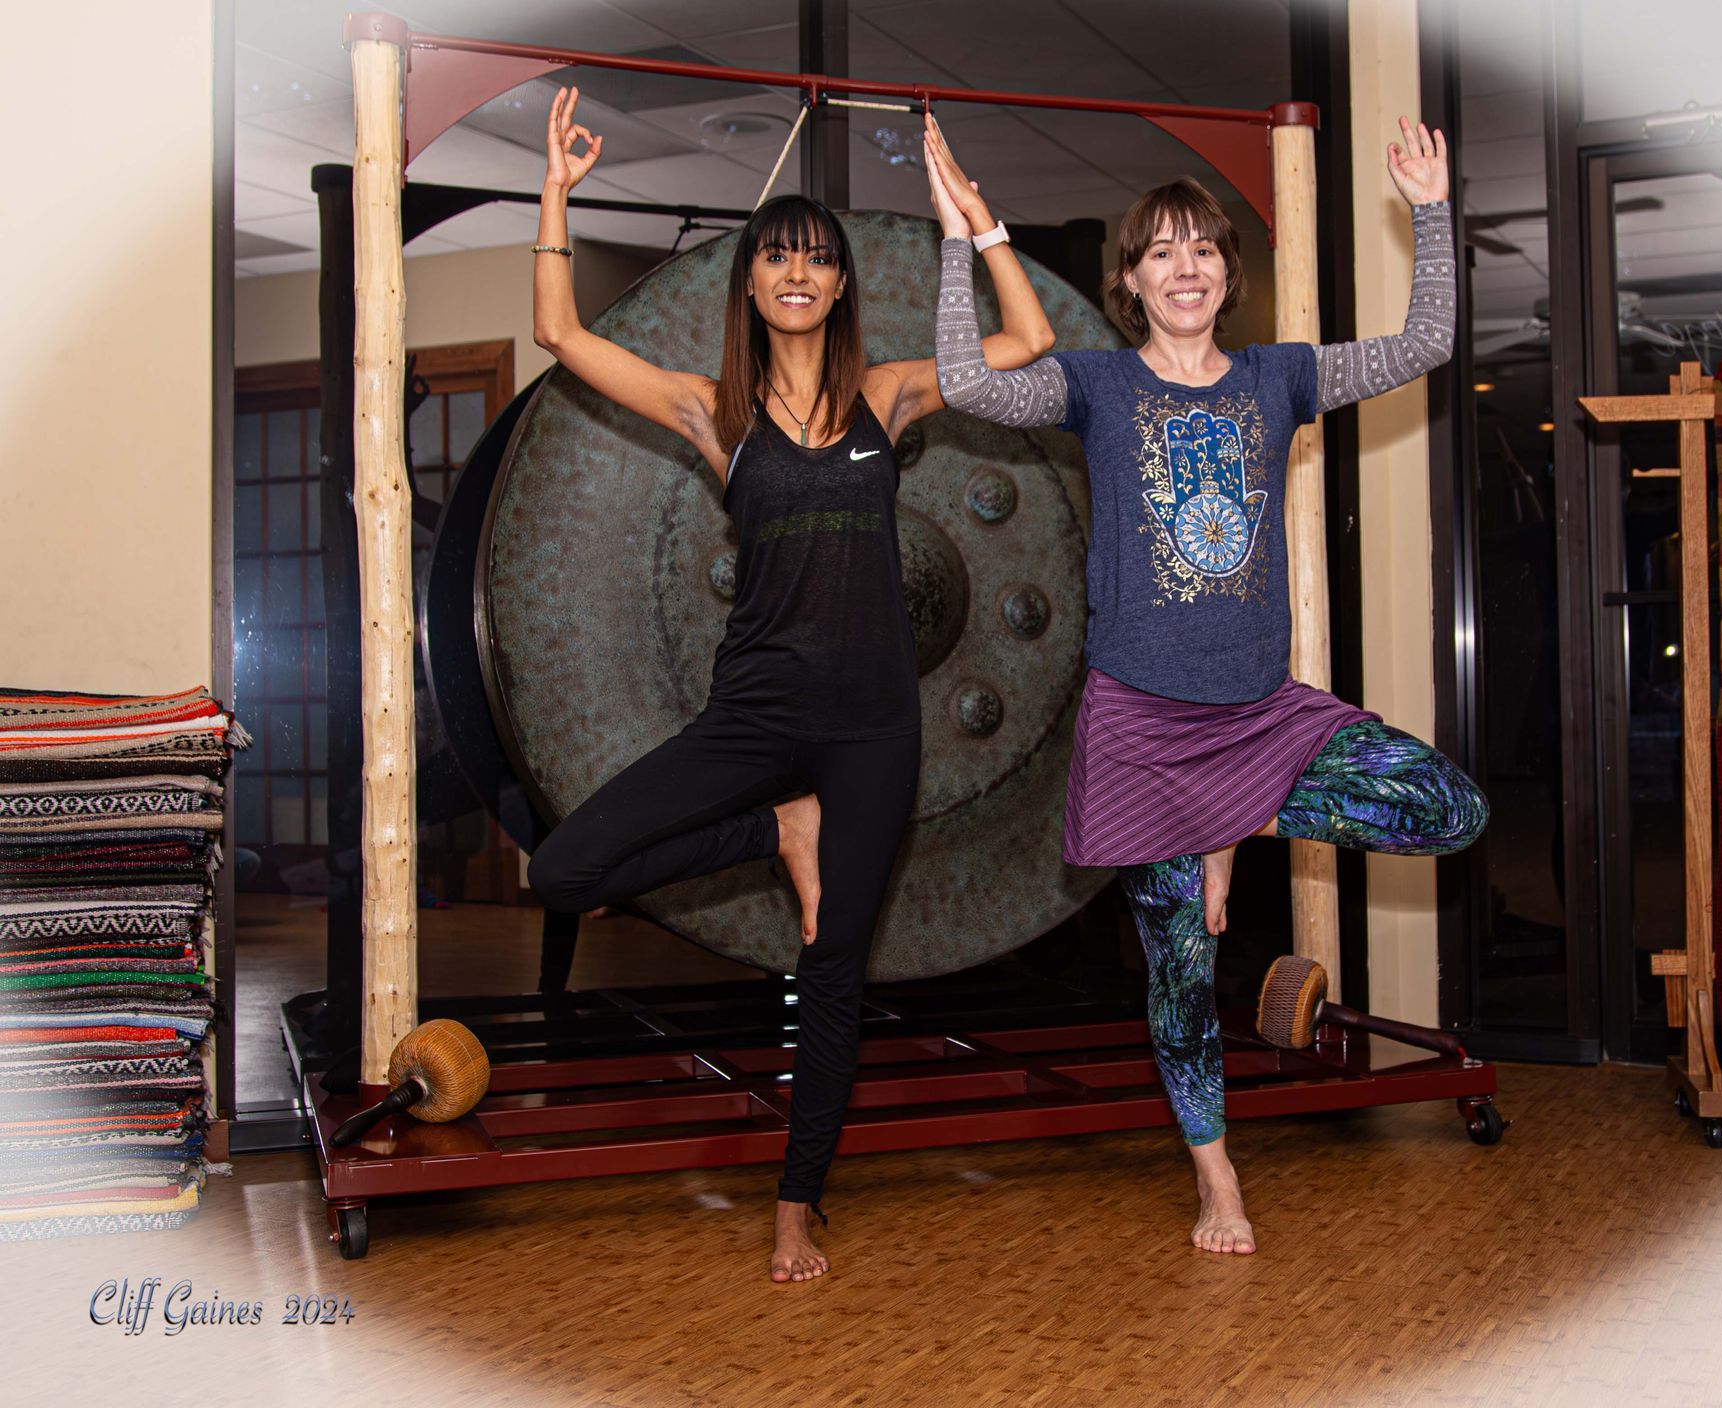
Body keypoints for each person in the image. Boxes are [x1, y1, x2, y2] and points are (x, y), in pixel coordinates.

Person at [927, 115, 1487, 1256]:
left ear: (1229, 272)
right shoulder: (1095, 385)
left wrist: (1430, 210)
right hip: (1141, 726)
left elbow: (1425, 341)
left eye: (1205, 250)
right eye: (1162, 253)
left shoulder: (1281, 377)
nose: (1187, 269)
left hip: (1261, 720)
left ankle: (1247, 809)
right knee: (1181, 977)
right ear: (1131, 280)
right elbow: (956, 379)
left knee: (1449, 808)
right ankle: (1217, 1180)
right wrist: (962, 240)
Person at [525, 88, 1053, 1282]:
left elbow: (1027, 347)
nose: (798, 273)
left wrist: (977, 222)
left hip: (874, 729)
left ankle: (796, 1199)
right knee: (564, 868)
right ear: (751, 285)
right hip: (755, 718)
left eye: (817, 258)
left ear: (841, 285)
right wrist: (555, 192)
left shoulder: (890, 396)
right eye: (778, 257)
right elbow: (561, 333)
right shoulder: (711, 412)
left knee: (834, 964)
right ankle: (774, 822)